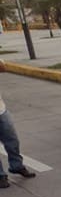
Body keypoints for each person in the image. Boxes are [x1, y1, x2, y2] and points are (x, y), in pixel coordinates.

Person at [0, 59, 36, 188]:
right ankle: (1, 176)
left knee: (12, 140)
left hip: (1, 109)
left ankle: (16, 166)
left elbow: (3, 68)